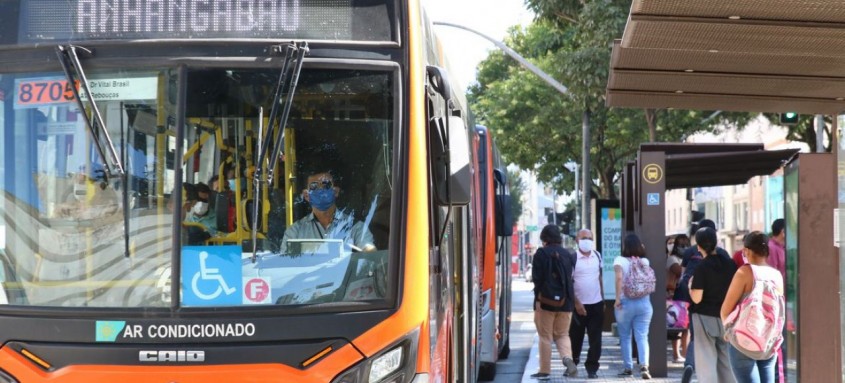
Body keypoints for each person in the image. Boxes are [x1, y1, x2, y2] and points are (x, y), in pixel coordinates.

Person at [721, 231, 784, 383]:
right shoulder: (776, 275)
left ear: (747, 251)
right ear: (766, 252)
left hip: (744, 341)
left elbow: (725, 310)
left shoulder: (744, 272)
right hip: (768, 341)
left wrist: (729, 331)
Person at [678, 219, 729, 381]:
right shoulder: (727, 260)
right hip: (724, 314)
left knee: (704, 354)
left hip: (702, 314)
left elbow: (694, 294)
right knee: (725, 357)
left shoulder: (697, 262)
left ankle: (690, 365)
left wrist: (691, 287)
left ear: (698, 244)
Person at [279, 170, 375, 253]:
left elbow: (369, 251)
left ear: (335, 192)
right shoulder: (295, 232)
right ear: (306, 195)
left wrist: (368, 252)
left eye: (326, 185)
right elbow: (283, 264)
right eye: (314, 186)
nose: (321, 189)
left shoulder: (356, 228)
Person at [688, 227, 737, 383]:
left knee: (706, 361)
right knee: (726, 362)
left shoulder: (702, 267)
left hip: (704, 318)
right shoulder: (730, 264)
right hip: (727, 317)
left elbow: (696, 298)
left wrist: (690, 286)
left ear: (699, 246)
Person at [530, 225, 578, 380]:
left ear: (544, 238)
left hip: (545, 302)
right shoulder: (568, 254)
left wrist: (538, 299)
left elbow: (537, 279)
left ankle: (545, 370)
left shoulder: (541, 254)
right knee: (563, 334)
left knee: (545, 336)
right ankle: (567, 359)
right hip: (566, 302)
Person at [613, 233, 653, 380]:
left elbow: (618, 278)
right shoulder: (645, 261)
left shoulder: (619, 260)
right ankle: (644, 365)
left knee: (625, 337)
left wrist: (617, 298)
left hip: (625, 303)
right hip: (644, 303)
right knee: (642, 336)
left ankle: (628, 368)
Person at [569, 229, 604, 379]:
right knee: (575, 338)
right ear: (577, 240)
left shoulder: (597, 255)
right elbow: (569, 283)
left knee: (595, 339)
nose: (587, 240)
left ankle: (592, 368)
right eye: (584, 238)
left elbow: (599, 278)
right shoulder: (573, 258)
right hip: (578, 306)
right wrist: (576, 303)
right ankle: (573, 364)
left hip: (596, 304)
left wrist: (602, 299)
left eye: (590, 238)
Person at [667, 234, 690, 363]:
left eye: (686, 244)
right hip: (674, 295)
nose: (684, 248)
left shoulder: (684, 259)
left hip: (684, 296)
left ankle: (684, 352)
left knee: (685, 326)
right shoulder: (672, 259)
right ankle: (677, 354)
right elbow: (680, 272)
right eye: (681, 245)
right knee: (676, 326)